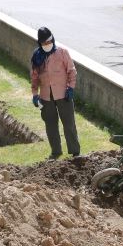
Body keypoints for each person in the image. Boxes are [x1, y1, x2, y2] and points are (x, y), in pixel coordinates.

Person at [30, 26, 79, 159]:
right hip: (46, 96)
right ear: (39, 43)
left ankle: (75, 151)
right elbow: (34, 78)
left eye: (49, 41)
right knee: (51, 125)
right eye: (44, 43)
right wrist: (35, 95)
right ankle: (56, 152)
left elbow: (72, 71)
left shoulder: (62, 52)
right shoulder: (37, 56)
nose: (47, 44)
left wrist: (71, 88)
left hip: (63, 94)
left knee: (69, 123)